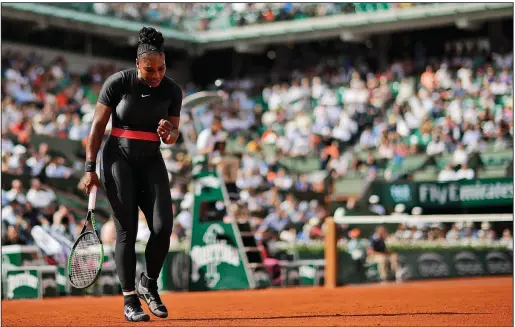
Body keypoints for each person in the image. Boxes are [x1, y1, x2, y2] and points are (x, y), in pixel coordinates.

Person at [82, 26, 183, 322]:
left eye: (161, 68)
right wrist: (89, 168)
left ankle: (148, 284)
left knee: (163, 227)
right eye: (150, 69)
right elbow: (97, 127)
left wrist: (170, 133)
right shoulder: (118, 82)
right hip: (118, 159)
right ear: (137, 64)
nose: (156, 75)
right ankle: (130, 300)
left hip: (151, 160)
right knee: (126, 230)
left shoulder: (173, 90)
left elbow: (174, 135)